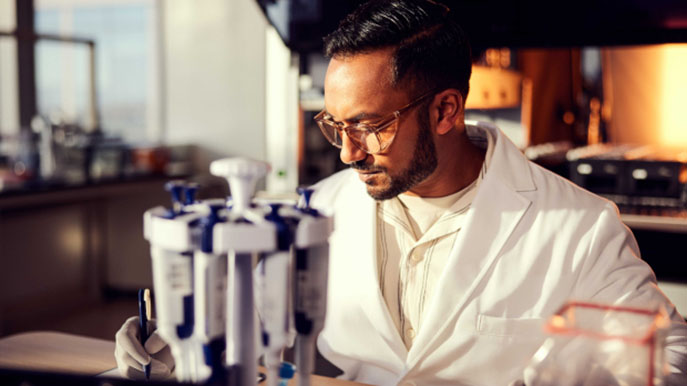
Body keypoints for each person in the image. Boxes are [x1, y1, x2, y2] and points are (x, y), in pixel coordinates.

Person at [116, 0, 687, 384]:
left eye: (368, 126)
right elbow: (243, 301)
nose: (348, 152)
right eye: (335, 126)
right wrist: (172, 336)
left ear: (445, 109)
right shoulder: (326, 206)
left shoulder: (579, 228)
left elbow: (673, 359)